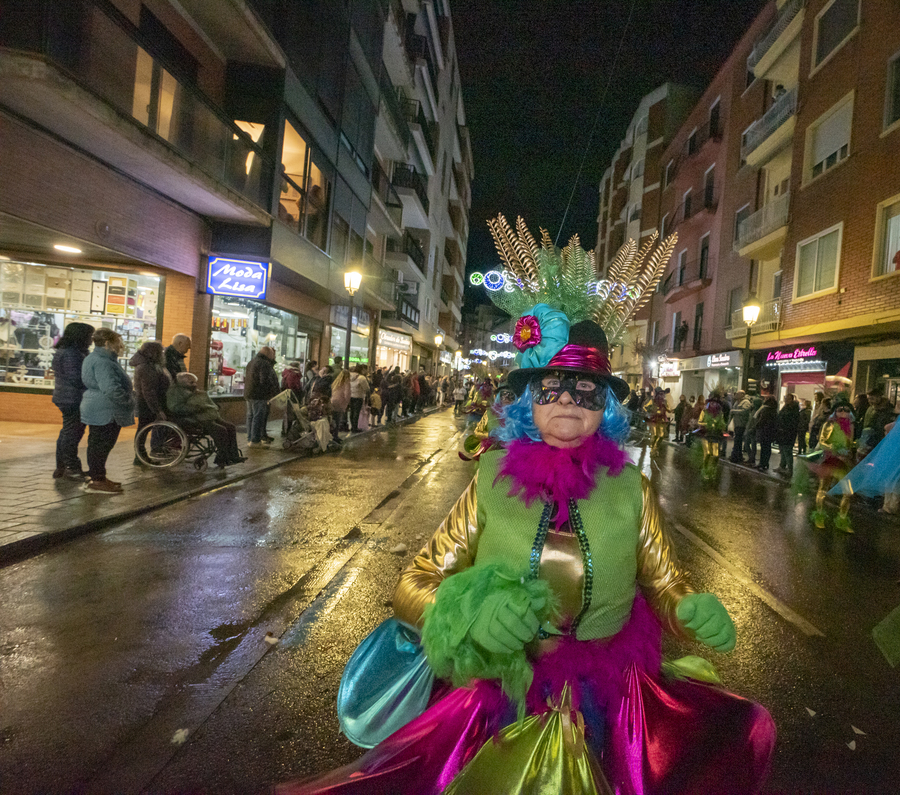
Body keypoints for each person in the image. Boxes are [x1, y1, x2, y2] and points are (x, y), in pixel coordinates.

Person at [278, 224, 773, 795]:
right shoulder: (490, 478)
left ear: (606, 406)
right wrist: (467, 616)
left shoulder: (631, 490)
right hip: (499, 693)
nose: (567, 399)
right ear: (528, 402)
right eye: (551, 387)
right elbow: (415, 582)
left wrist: (687, 607)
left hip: (604, 694)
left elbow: (663, 580)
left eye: (585, 389)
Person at [80, 328, 135, 494]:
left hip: (100, 407)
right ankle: (97, 479)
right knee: (101, 444)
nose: (120, 345)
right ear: (106, 343)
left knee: (99, 444)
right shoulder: (103, 362)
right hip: (105, 410)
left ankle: (99, 477)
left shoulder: (99, 358)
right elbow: (111, 388)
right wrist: (129, 401)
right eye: (117, 342)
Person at [803, 392, 857, 532]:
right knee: (823, 489)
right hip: (830, 461)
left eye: (846, 410)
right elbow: (822, 442)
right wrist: (834, 449)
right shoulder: (830, 424)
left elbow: (850, 443)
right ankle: (819, 516)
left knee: (848, 492)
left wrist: (852, 447)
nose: (843, 412)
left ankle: (842, 520)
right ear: (835, 412)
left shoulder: (851, 426)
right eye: (840, 410)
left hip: (844, 463)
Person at [166, 373, 244, 468]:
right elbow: (175, 408)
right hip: (193, 419)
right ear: (183, 382)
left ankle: (233, 456)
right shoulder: (175, 393)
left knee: (231, 427)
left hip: (207, 416)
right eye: (191, 382)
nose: (195, 384)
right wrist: (196, 408)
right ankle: (222, 458)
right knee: (221, 430)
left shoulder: (196, 392)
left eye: (195, 382)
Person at [50, 322, 94, 480]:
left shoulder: (71, 351)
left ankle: (62, 467)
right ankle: (71, 467)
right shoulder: (71, 353)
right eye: (90, 336)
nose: (92, 339)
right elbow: (76, 377)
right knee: (72, 432)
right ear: (80, 336)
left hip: (67, 397)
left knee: (68, 432)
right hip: (72, 398)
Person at [129, 340, 171, 461]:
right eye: (161, 351)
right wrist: (157, 410)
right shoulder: (146, 368)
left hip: (151, 403)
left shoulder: (151, 366)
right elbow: (149, 391)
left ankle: (140, 456)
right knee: (143, 430)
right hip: (147, 404)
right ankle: (140, 457)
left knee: (144, 429)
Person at [244, 345, 280, 446]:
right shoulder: (264, 364)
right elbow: (264, 380)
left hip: (249, 393)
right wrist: (270, 392)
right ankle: (255, 440)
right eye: (272, 354)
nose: (273, 357)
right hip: (259, 394)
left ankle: (250, 438)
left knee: (250, 416)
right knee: (258, 417)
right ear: (268, 354)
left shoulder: (252, 362)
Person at [698, 393, 727, 482]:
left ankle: (713, 471)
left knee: (716, 455)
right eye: (712, 402)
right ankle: (705, 470)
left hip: (715, 435)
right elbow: (699, 422)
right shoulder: (704, 411)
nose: (714, 404)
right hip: (706, 435)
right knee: (707, 454)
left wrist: (722, 427)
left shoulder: (720, 413)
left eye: (715, 402)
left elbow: (723, 424)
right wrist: (707, 424)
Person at [774, 394, 801, 476]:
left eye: (788, 399)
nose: (786, 400)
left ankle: (790, 469)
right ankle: (782, 466)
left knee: (787, 451)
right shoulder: (786, 407)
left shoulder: (793, 409)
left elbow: (792, 421)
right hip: (783, 432)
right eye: (785, 398)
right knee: (783, 450)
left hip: (788, 433)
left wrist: (784, 427)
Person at [754, 394, 778, 472]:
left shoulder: (765, 409)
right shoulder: (774, 410)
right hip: (770, 431)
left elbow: (760, 419)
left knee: (764, 448)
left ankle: (762, 463)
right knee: (767, 448)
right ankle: (765, 463)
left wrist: (756, 426)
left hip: (764, 431)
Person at [729, 389, 752, 463]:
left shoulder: (746, 402)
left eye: (738, 394)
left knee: (738, 440)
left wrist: (734, 411)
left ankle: (736, 456)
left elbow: (745, 411)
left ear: (742, 394)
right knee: (737, 440)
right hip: (736, 424)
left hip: (742, 424)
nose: (736, 395)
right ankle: (737, 455)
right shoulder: (736, 402)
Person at [329, 368, 351, 439]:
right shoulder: (346, 383)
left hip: (333, 401)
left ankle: (331, 434)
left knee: (333, 419)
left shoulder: (336, 382)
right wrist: (347, 403)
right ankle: (335, 436)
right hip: (341, 402)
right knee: (338, 420)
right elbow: (347, 394)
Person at [349, 364, 370, 432]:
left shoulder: (350, 376)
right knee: (356, 412)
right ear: (362, 370)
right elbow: (367, 388)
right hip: (358, 396)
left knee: (352, 412)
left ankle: (352, 426)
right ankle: (355, 427)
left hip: (350, 396)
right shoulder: (362, 378)